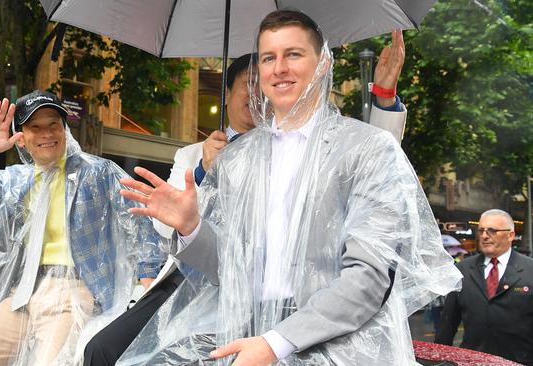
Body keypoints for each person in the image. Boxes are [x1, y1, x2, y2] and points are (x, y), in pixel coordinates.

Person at [118, 10, 461, 365]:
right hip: (248, 332)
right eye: (269, 58)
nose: (279, 68)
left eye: (293, 54)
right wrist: (191, 228)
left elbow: (368, 278)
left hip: (342, 344)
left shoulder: (368, 149)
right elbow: (231, 271)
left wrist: (275, 343)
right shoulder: (239, 161)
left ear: (324, 62)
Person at [0, 90, 166, 366]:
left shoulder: (97, 174)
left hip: (73, 292)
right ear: (21, 138)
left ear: (64, 129)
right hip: (22, 292)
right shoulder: (13, 183)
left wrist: (149, 282)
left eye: (53, 124)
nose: (46, 133)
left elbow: (139, 221)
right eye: (35, 127)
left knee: (53, 362)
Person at [435, 209, 533, 365]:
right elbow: (447, 324)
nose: (485, 236)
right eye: (481, 230)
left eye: (492, 231)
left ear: (511, 235)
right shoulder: (463, 270)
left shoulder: (530, 270)